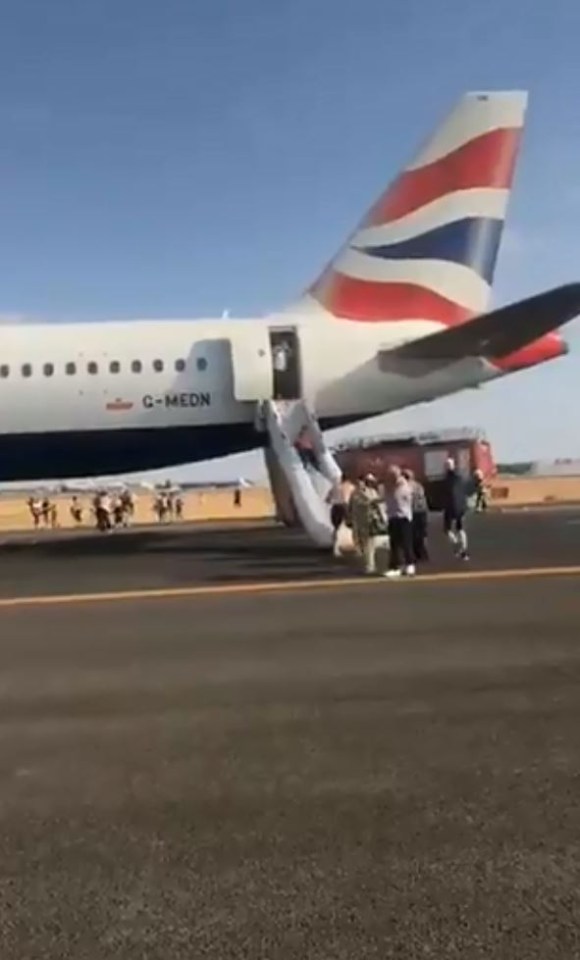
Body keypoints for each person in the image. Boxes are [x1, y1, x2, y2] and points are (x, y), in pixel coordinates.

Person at [347, 474, 386, 574]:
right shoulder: (354, 494)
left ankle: (370, 565)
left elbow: (378, 506)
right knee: (360, 545)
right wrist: (349, 519)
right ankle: (366, 563)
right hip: (358, 522)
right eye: (357, 482)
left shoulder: (372, 492)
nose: (359, 484)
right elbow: (350, 507)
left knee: (369, 544)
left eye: (361, 482)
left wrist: (382, 518)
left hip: (369, 521)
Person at [383, 465, 415, 578]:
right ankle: (395, 567)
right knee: (394, 544)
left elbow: (410, 498)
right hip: (392, 517)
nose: (391, 477)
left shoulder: (404, 485)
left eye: (394, 475)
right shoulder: (388, 486)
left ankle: (410, 565)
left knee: (406, 543)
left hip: (403, 517)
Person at [442, 457, 469, 560]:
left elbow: (448, 494)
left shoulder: (447, 479)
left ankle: (456, 543)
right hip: (461, 506)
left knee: (447, 529)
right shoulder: (460, 478)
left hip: (451, 506)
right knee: (460, 528)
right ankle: (464, 550)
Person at [402, 467, 429, 563]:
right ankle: (423, 554)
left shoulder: (406, 486)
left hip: (413, 511)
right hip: (422, 511)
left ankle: (415, 555)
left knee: (413, 534)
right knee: (422, 534)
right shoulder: (419, 485)